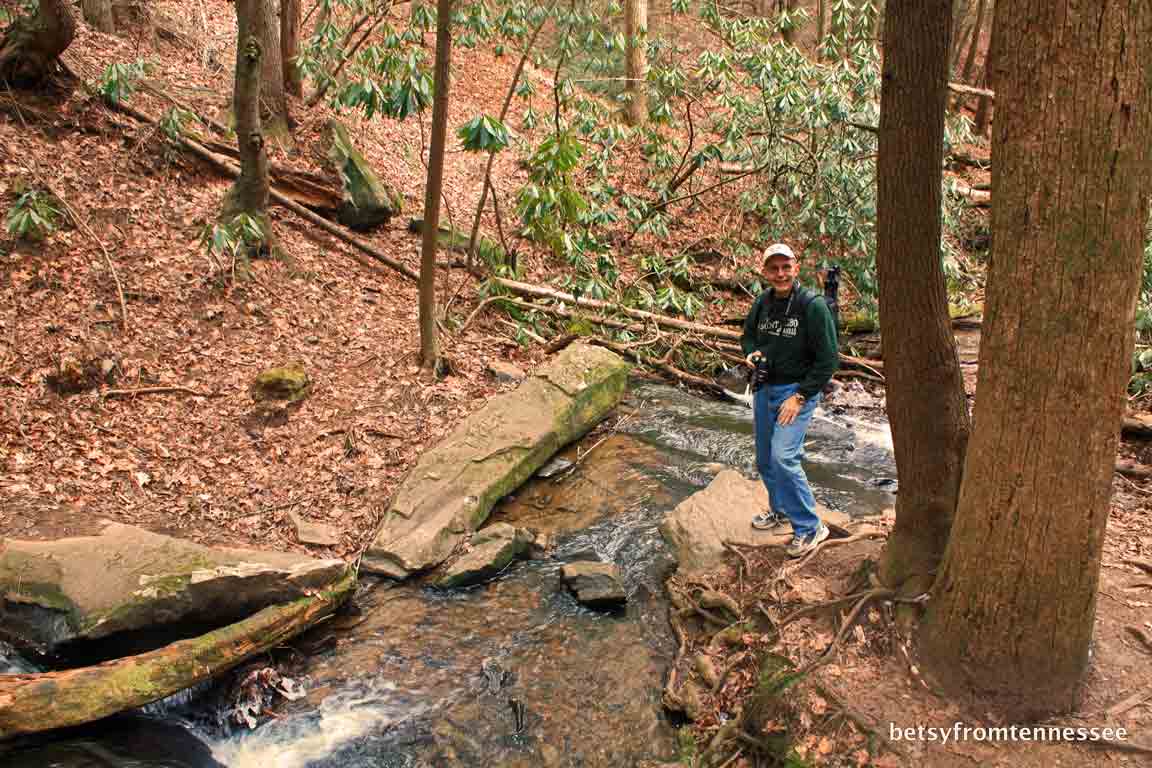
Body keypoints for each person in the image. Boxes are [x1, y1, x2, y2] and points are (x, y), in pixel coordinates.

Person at [740, 243, 839, 557]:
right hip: (764, 387)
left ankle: (811, 528)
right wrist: (751, 353)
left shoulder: (813, 306)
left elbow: (828, 360)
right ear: (765, 272)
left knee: (784, 458)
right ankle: (781, 509)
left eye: (786, 267)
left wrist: (800, 396)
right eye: (774, 268)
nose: (780, 274)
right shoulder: (763, 302)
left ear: (796, 268)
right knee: (766, 460)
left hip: (795, 392)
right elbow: (749, 336)